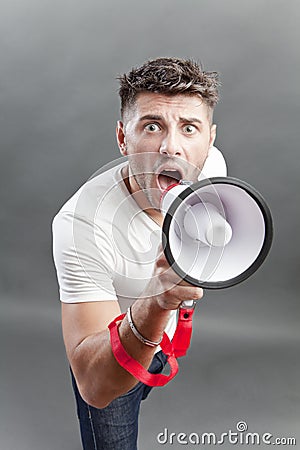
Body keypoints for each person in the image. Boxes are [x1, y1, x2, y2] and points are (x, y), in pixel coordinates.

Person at [52, 57, 226, 450]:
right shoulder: (80, 224)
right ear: (122, 137)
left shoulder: (210, 165)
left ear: (210, 139)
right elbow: (95, 386)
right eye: (152, 126)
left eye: (189, 128)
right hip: (115, 352)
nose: (172, 147)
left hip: (163, 339)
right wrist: (158, 300)